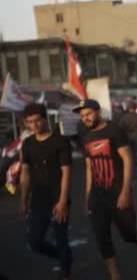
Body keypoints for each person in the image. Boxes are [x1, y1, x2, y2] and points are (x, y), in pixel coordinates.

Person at [74, 99, 137, 280]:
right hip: (97, 195)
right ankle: (115, 275)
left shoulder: (114, 130)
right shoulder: (85, 136)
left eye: (88, 114)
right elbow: (89, 167)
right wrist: (87, 196)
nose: (85, 118)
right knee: (101, 236)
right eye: (82, 116)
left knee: (128, 234)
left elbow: (128, 159)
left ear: (98, 112)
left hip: (117, 190)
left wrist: (125, 191)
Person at [19, 103, 73, 280]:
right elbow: (25, 173)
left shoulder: (60, 141)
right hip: (38, 200)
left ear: (44, 119)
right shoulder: (27, 144)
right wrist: (23, 201)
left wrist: (63, 200)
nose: (34, 125)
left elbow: (66, 172)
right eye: (30, 122)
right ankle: (63, 258)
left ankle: (66, 273)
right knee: (34, 241)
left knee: (60, 237)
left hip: (58, 198)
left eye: (37, 121)